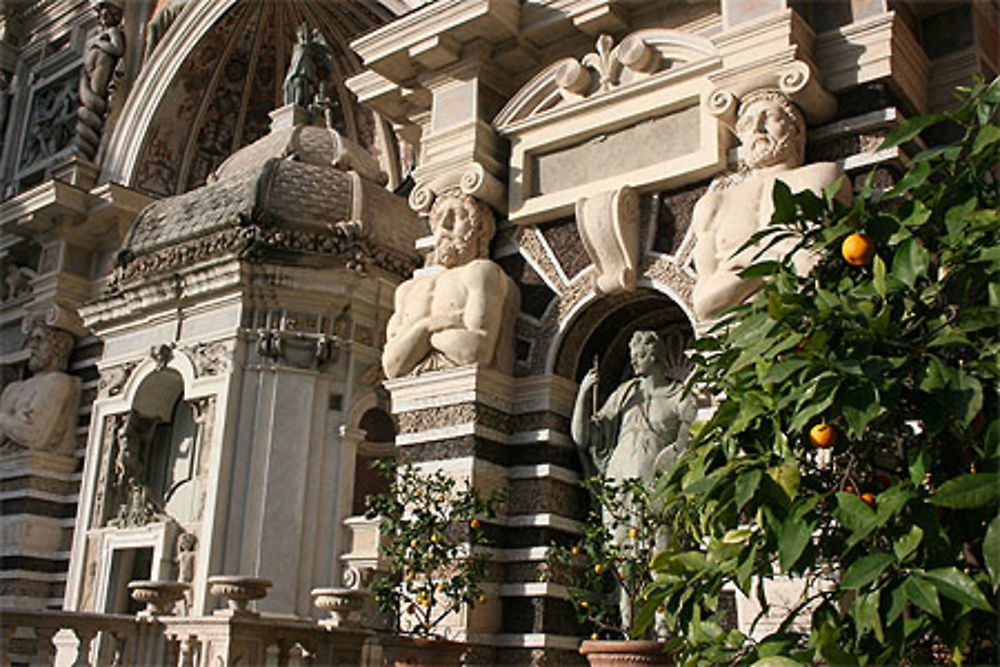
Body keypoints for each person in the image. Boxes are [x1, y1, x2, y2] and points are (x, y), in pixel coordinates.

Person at [571, 329, 696, 633]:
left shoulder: (680, 395)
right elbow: (582, 436)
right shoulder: (626, 393)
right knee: (624, 562)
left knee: (662, 560)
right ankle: (629, 630)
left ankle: (664, 633)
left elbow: (690, 440)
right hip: (619, 487)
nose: (634, 361)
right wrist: (584, 393)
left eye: (639, 355)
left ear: (655, 356)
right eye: (632, 356)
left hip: (658, 490)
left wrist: (670, 462)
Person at [691, 89, 851, 321]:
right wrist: (774, 259)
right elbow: (705, 304)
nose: (757, 129)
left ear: (796, 131)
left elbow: (814, 267)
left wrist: (740, 263)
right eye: (746, 125)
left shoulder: (821, 176)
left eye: (770, 118)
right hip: (739, 341)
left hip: (807, 328)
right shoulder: (714, 204)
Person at [382, 191, 518, 379]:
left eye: (457, 216)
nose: (444, 225)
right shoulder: (407, 290)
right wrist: (429, 326)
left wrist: (415, 342)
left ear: (480, 229)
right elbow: (392, 366)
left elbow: (477, 351)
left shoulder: (480, 273)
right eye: (438, 219)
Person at [0, 322, 80, 454]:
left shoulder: (57, 382)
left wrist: (3, 419)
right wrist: (12, 420)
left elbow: (35, 436)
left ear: (59, 347)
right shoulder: (13, 388)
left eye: (39, 340)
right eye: (31, 340)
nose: (32, 346)